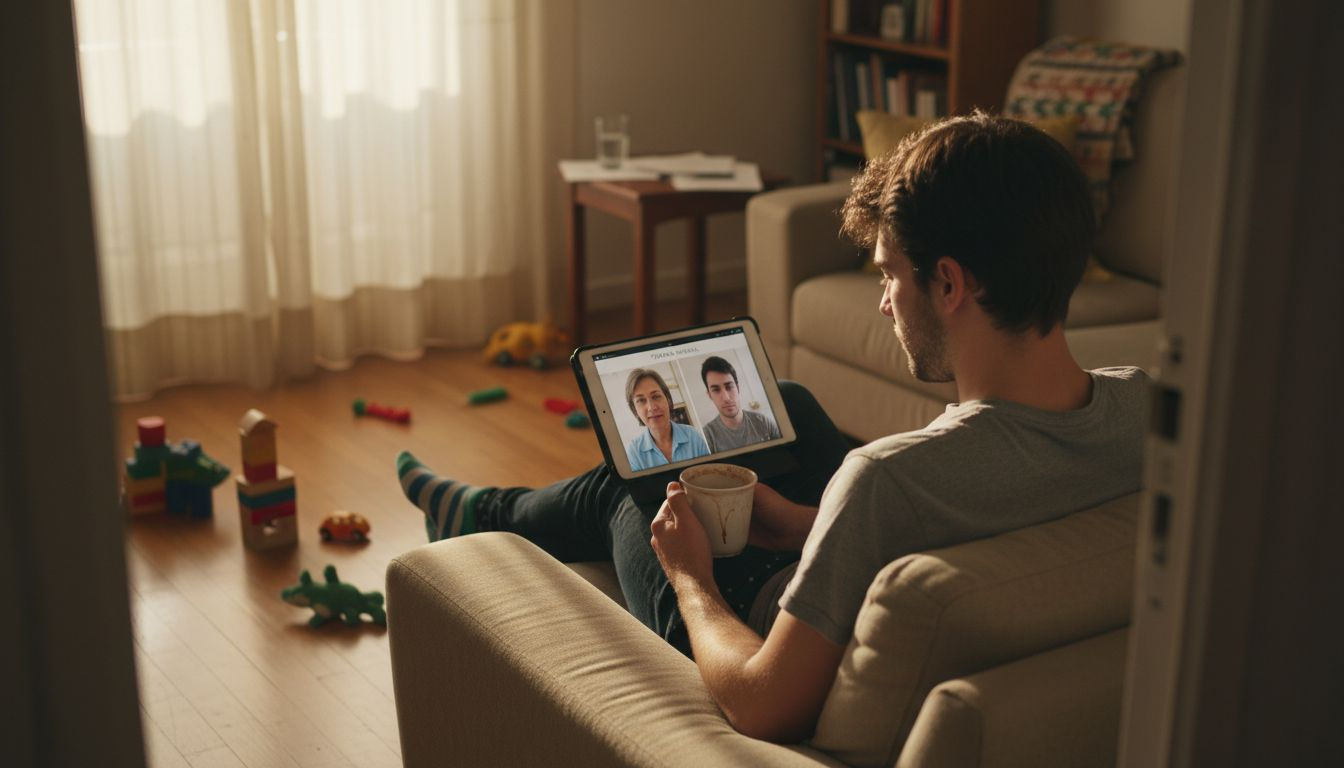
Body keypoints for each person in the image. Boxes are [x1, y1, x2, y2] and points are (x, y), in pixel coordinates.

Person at [396, 113, 1147, 744]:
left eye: (888, 274)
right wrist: (808, 527)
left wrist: (690, 574)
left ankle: (485, 516)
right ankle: (484, 509)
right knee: (786, 403)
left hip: (769, 621)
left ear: (948, 283)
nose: (885, 302)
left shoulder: (887, 481)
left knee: (637, 486)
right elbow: (991, 499)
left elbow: (762, 700)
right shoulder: (1150, 415)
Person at [621, 368, 710, 471]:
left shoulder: (694, 436)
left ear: (668, 399)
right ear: (634, 410)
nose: (651, 407)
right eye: (641, 400)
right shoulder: (634, 452)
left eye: (656, 396)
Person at [698, 356, 781, 453]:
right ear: (709, 395)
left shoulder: (764, 422)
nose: (726, 398)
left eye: (729, 387)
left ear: (737, 388)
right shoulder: (706, 437)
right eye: (716, 390)